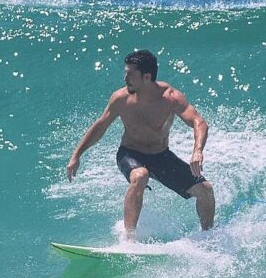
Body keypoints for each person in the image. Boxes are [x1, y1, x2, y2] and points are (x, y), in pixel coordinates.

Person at [66, 49, 215, 239]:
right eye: (125, 72)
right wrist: (76, 155)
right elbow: (100, 126)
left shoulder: (170, 98)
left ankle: (208, 236)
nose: (125, 78)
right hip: (130, 154)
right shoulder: (121, 98)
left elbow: (198, 122)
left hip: (161, 156)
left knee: (206, 191)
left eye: (130, 74)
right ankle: (128, 240)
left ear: (147, 76)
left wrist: (197, 151)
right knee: (140, 175)